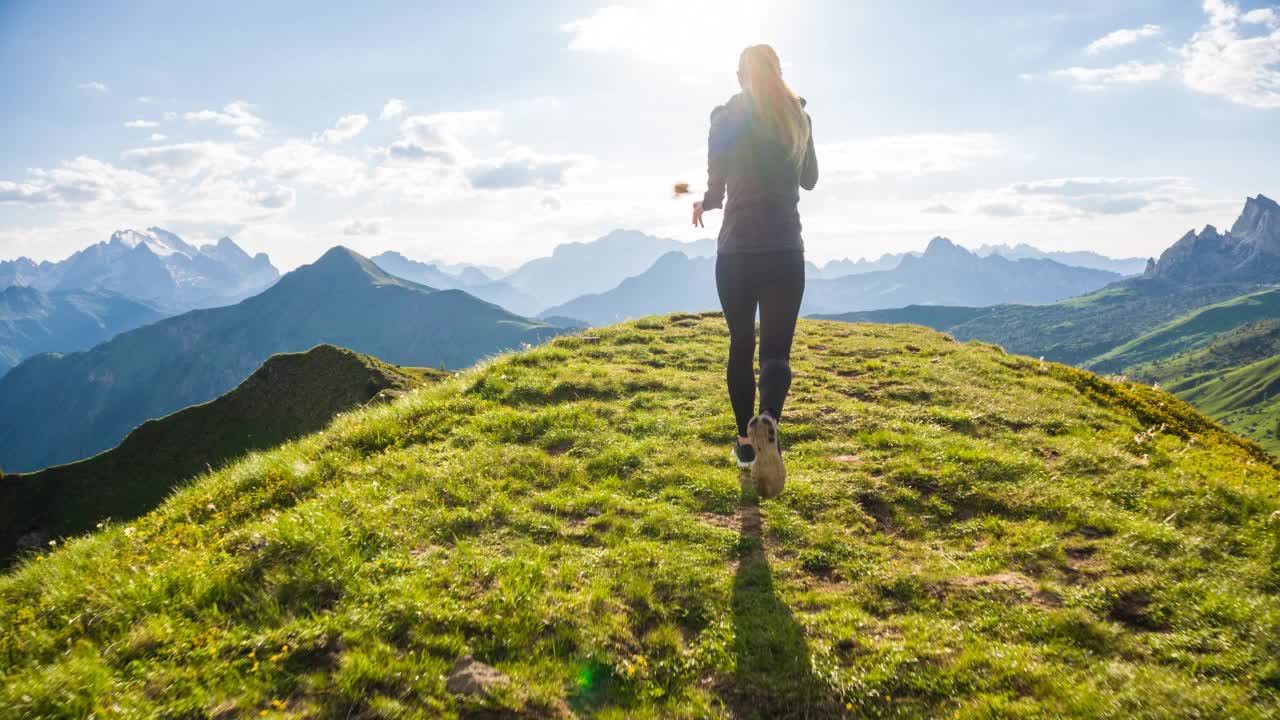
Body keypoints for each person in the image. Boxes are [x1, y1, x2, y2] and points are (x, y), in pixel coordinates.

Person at [692, 44, 818, 499]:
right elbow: (809, 180)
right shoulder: (797, 116)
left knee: (741, 343)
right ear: (778, 72)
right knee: (777, 354)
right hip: (785, 250)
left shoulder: (724, 118)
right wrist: (801, 119)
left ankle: (746, 446)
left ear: (739, 75)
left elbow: (716, 187)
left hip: (737, 252)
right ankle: (769, 419)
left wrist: (703, 204)